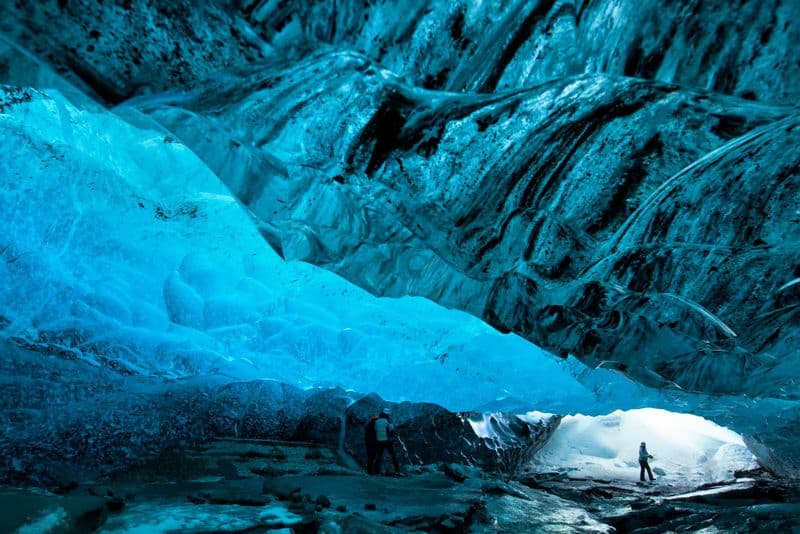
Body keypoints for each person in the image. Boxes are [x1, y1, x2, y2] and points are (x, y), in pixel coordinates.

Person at [372, 408, 400, 476]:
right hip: (387, 441)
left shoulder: (377, 421)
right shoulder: (387, 421)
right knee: (393, 455)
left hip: (379, 441)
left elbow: (375, 429)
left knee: (379, 456)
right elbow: (391, 429)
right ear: (387, 414)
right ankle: (397, 470)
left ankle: (376, 471)